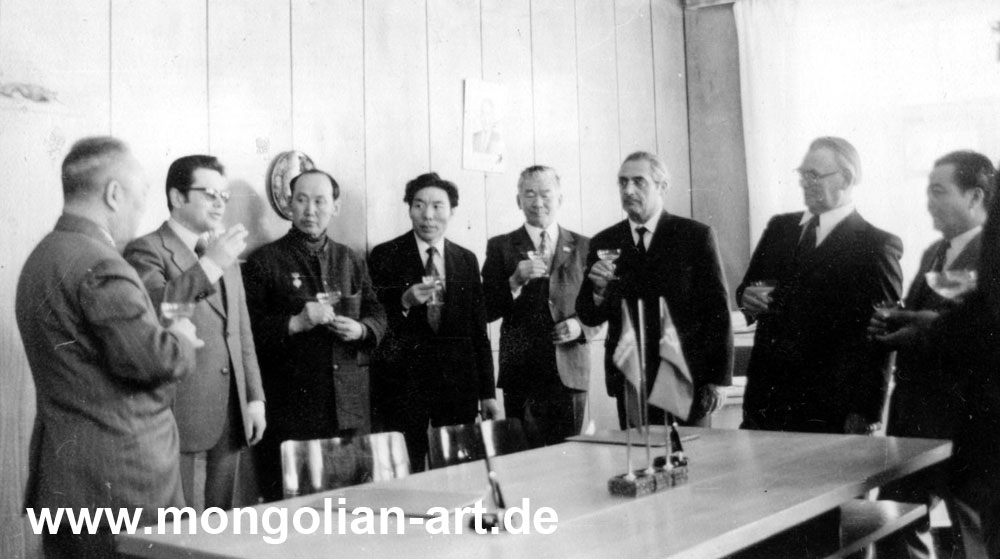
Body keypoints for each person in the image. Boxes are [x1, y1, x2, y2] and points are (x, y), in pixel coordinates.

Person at [15, 137, 197, 558]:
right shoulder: (101, 263)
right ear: (114, 193)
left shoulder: (42, 256)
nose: (140, 211)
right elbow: (156, 360)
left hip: (66, 483)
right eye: (140, 196)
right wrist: (182, 338)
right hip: (124, 487)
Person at [124, 155, 266, 511]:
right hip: (179, 410)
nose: (220, 203)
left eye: (224, 196)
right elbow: (155, 310)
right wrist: (211, 263)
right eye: (209, 194)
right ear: (177, 197)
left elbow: (241, 331)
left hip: (231, 409)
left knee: (223, 520)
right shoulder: (147, 249)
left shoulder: (222, 251)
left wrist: (254, 399)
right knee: (179, 525)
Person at [872, 150, 994, 559]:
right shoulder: (933, 253)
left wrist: (923, 330)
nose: (928, 202)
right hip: (912, 423)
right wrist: (891, 327)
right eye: (927, 191)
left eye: (939, 191)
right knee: (892, 526)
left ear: (975, 196)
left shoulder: (992, 257)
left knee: (964, 537)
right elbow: (919, 320)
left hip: (965, 428)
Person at [738, 136, 903, 435]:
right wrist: (746, 297)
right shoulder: (780, 228)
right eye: (803, 174)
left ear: (847, 179)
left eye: (814, 175)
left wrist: (867, 411)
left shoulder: (876, 245)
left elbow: (882, 332)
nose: (805, 183)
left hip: (829, 409)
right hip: (765, 402)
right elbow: (748, 288)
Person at [243, 169, 386, 501]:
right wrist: (295, 322)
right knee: (293, 511)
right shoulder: (265, 261)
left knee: (353, 507)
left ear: (335, 207)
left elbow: (378, 313)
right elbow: (246, 332)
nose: (310, 210)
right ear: (288, 205)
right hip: (292, 411)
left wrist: (362, 329)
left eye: (320, 201)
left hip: (349, 410)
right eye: (302, 200)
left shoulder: (350, 259)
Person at [576, 151, 732, 429]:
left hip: (686, 376)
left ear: (662, 186)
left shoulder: (695, 236)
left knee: (691, 454)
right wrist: (598, 290)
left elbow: (717, 313)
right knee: (639, 453)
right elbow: (589, 315)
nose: (628, 190)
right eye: (622, 182)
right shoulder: (605, 241)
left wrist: (718, 380)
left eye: (638, 181)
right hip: (630, 376)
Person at [369, 172, 500, 470]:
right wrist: (403, 302)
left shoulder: (466, 259)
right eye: (419, 205)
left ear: (452, 211)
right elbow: (374, 323)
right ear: (409, 209)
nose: (427, 215)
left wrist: (487, 394)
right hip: (403, 388)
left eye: (437, 206)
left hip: (457, 388)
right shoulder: (385, 255)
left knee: (459, 472)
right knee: (406, 473)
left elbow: (478, 333)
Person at [481, 165, 591, 446]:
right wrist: (513, 282)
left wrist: (580, 326)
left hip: (570, 371)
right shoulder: (500, 246)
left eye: (545, 194)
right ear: (518, 200)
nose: (538, 202)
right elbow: (485, 310)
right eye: (529, 194)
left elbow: (602, 305)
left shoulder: (584, 246)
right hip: (521, 374)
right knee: (523, 458)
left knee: (569, 457)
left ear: (560, 199)